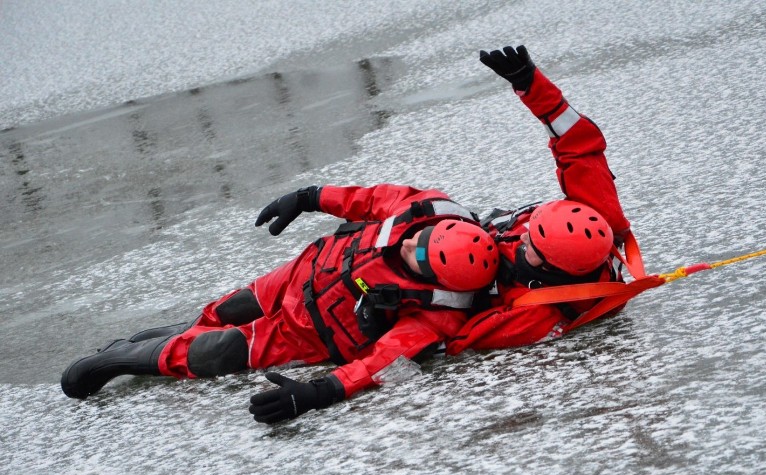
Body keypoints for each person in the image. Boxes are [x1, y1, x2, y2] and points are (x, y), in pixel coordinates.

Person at [61, 184, 500, 423]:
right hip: (301, 274)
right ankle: (158, 336)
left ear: (439, 279)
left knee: (217, 351)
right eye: (420, 240)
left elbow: (382, 360)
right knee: (221, 313)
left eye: (421, 258)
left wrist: (319, 392)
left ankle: (119, 359)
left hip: (302, 336)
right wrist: (308, 198)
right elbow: (365, 200)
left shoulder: (435, 315)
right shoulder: (426, 207)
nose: (411, 246)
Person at [446, 45, 641, 354]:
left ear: (552, 269)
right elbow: (579, 143)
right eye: (533, 229)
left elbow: (453, 342)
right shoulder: (599, 217)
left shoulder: (535, 315)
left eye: (532, 244)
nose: (523, 235)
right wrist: (530, 84)